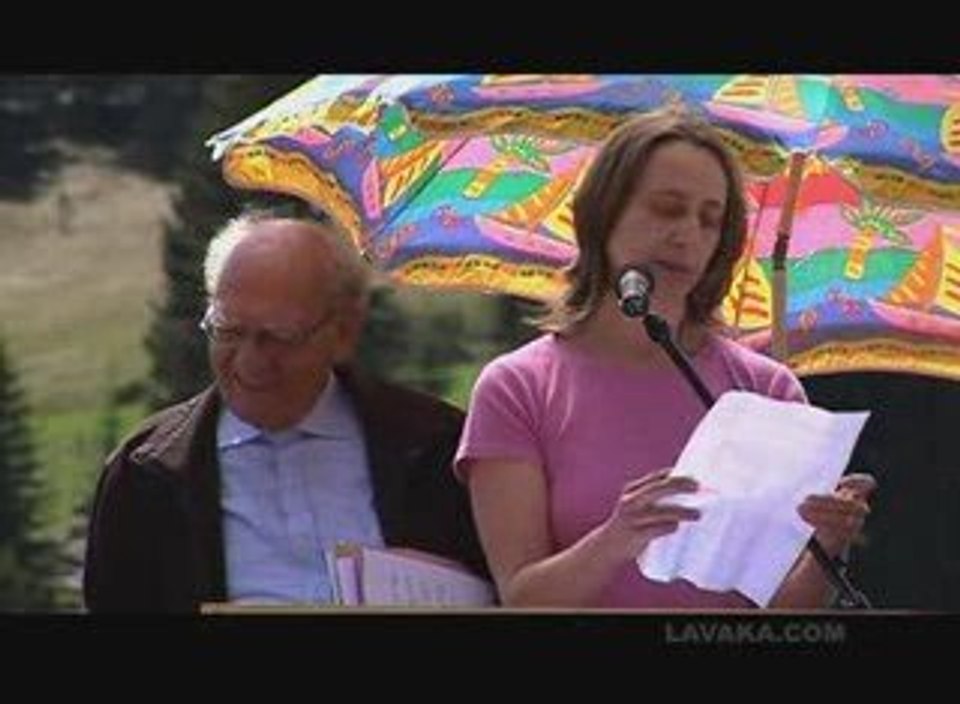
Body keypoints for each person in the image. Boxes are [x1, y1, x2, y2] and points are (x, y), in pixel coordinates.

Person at [455, 107, 875, 609]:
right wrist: (618, 537)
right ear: (603, 214)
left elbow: (784, 612)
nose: (687, 235)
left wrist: (829, 546)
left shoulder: (770, 390)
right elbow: (522, 599)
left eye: (709, 220)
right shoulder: (516, 387)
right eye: (667, 208)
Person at [84, 202, 488, 612]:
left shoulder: (438, 451)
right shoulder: (147, 473)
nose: (249, 361)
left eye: (278, 337)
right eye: (228, 331)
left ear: (343, 332)